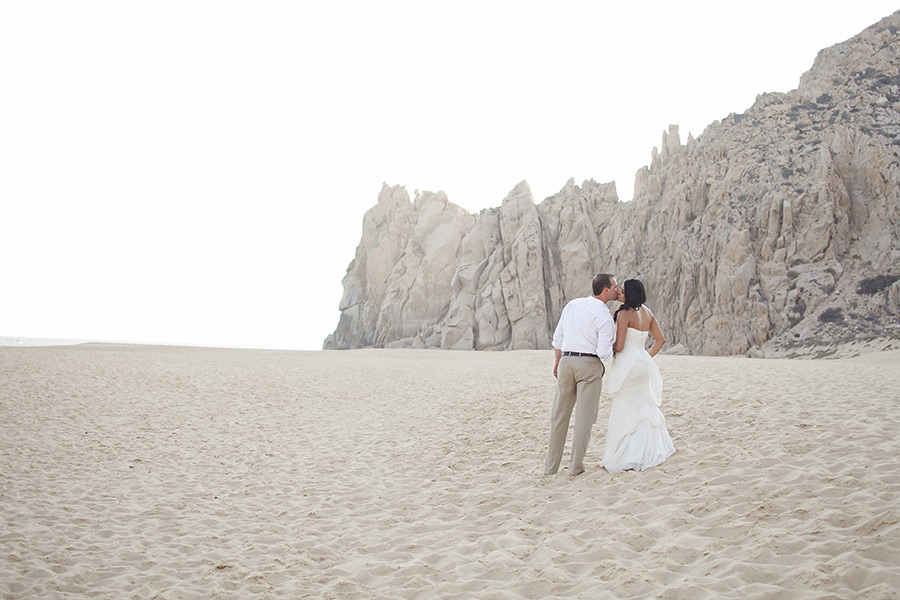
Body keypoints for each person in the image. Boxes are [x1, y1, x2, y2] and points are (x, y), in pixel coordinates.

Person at [544, 273, 619, 476]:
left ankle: (551, 468)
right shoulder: (604, 317)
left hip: (566, 362)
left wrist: (558, 361)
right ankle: (575, 467)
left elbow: (558, 338)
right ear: (606, 290)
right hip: (589, 365)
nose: (617, 289)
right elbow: (604, 353)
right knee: (584, 420)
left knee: (559, 417)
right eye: (615, 286)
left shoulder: (573, 305)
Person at [602, 279, 675, 472]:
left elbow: (620, 346)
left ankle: (630, 453)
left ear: (630, 294)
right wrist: (646, 357)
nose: (620, 292)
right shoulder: (648, 312)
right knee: (643, 404)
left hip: (628, 364)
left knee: (626, 406)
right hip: (642, 363)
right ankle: (650, 448)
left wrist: (607, 349)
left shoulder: (624, 314)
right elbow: (660, 340)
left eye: (623, 290)